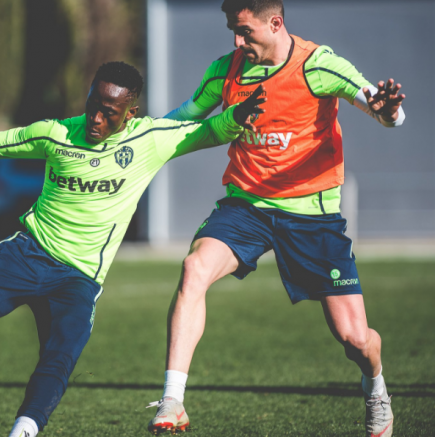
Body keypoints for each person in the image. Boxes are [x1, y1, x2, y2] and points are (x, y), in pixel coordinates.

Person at [0, 62, 265, 437]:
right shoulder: (55, 133)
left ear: (131, 113)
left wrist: (237, 117)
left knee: (58, 359)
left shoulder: (150, 141)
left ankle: (22, 433)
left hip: (78, 279)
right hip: (26, 254)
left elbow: (208, 130)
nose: (96, 118)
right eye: (93, 105)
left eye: (110, 112)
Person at [145, 1, 406, 436]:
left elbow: (386, 113)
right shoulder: (225, 71)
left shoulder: (317, 65)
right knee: (194, 268)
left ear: (276, 23)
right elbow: (184, 118)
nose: (236, 41)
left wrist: (389, 111)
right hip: (246, 206)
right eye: (232, 30)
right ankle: (173, 400)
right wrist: (134, 137)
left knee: (356, 341)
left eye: (245, 31)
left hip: (312, 216)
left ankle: (375, 386)